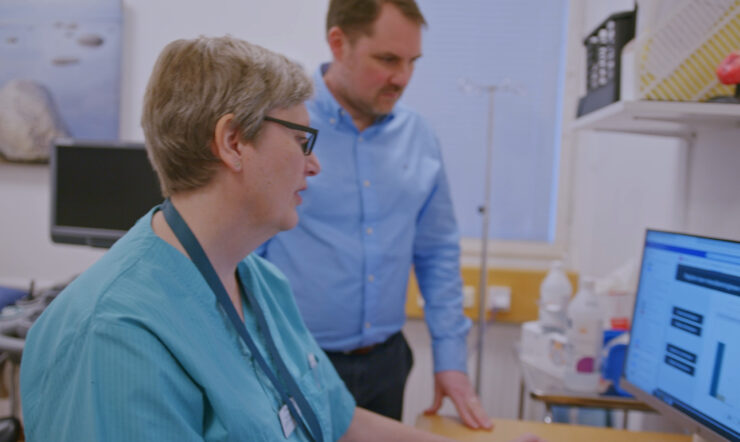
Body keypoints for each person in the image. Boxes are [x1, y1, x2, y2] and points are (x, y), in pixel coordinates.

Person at [18, 35, 465, 442]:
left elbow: (338, 420)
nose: (314, 166)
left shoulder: (263, 283)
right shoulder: (115, 334)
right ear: (233, 142)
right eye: (301, 139)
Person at [258, 0, 492, 430]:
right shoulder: (281, 124)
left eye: (411, 62)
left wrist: (451, 361)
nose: (402, 78)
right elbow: (246, 250)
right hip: (294, 361)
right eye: (387, 59)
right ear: (338, 42)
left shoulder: (419, 136)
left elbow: (437, 251)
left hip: (388, 365)